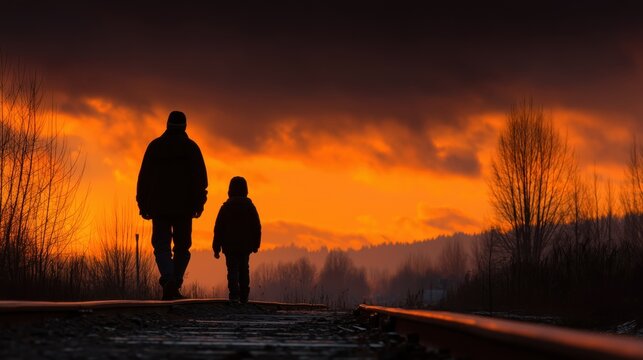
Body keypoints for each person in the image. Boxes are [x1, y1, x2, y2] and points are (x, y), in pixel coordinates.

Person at [136, 111, 208, 300]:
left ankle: (169, 280)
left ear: (167, 124)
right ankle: (174, 282)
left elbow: (143, 178)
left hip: (159, 207)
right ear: (185, 126)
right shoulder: (191, 148)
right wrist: (199, 203)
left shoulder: (155, 147)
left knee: (161, 246)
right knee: (182, 247)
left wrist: (142, 203)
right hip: (184, 208)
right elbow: (201, 180)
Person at [213, 176, 261, 304]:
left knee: (232, 270)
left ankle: (234, 294)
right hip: (245, 246)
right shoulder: (250, 207)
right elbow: (256, 227)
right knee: (244, 269)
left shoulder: (225, 207)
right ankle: (244, 295)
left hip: (229, 246)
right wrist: (256, 244)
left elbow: (218, 229)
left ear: (230, 190)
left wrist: (216, 248)